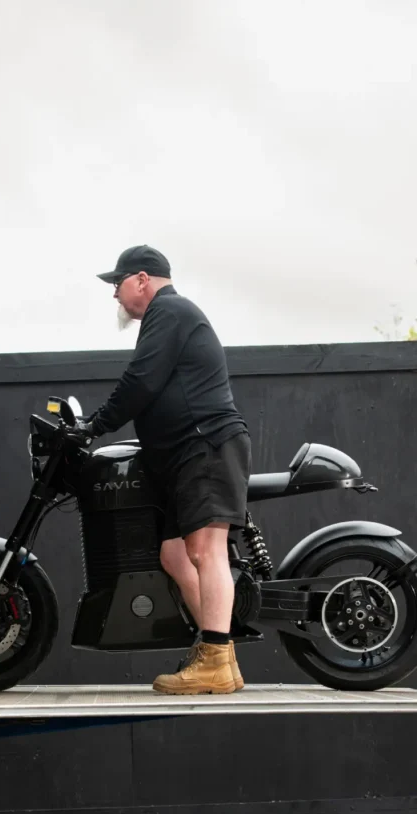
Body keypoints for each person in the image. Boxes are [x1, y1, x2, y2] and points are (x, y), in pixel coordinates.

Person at [80, 245, 251, 695]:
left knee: (206, 551)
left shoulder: (169, 310)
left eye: (116, 284)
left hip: (204, 445)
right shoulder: (166, 317)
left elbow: (142, 380)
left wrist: (94, 425)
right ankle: (222, 658)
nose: (114, 295)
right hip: (185, 454)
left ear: (141, 279)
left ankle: (214, 657)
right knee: (174, 555)